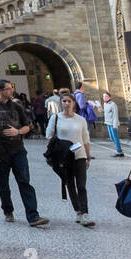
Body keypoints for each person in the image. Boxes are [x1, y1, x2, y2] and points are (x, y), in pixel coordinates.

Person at [0, 79, 49, 227]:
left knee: (24, 181)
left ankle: (33, 216)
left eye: (11, 87)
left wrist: (17, 131)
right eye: (8, 88)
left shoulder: (17, 106)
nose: (11, 90)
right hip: (2, 153)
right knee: (4, 184)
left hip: (18, 150)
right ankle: (8, 211)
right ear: (0, 90)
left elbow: (27, 126)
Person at [47, 93, 94, 226]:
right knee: (70, 185)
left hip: (79, 155)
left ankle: (85, 213)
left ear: (74, 103)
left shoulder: (81, 120)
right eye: (64, 101)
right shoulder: (55, 118)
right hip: (64, 157)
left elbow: (85, 139)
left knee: (81, 185)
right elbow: (49, 136)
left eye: (69, 101)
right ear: (61, 103)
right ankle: (78, 211)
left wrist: (88, 156)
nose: (66, 103)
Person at [102, 91, 125, 157]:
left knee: (115, 138)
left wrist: (115, 125)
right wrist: (102, 110)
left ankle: (119, 152)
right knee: (112, 138)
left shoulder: (113, 104)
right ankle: (119, 150)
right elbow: (106, 112)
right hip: (108, 123)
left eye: (106, 96)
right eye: (103, 96)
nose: (104, 97)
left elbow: (115, 116)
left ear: (109, 97)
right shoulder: (105, 104)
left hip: (113, 124)